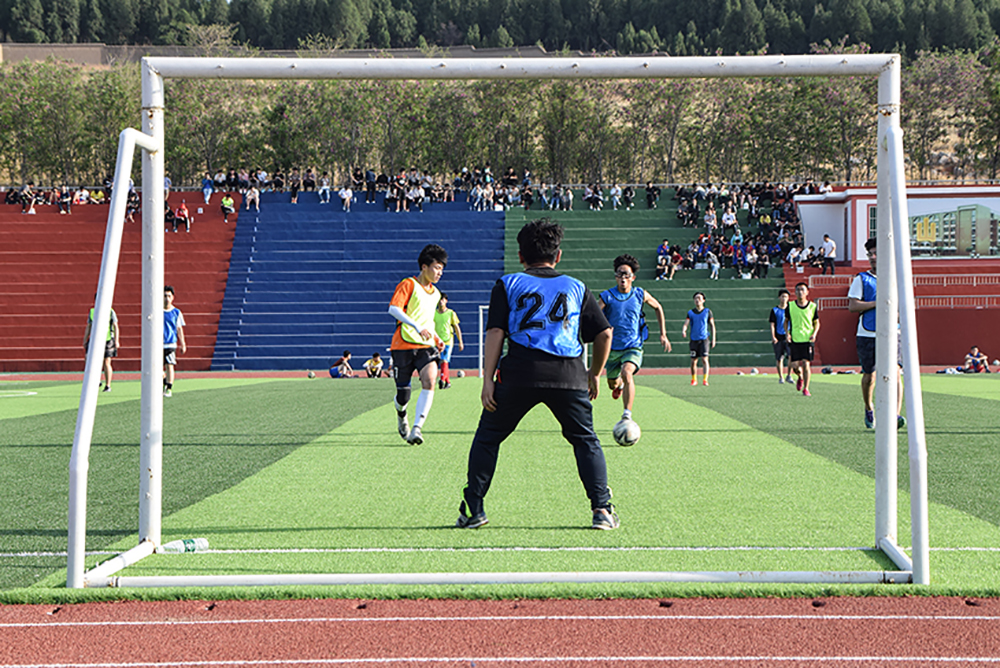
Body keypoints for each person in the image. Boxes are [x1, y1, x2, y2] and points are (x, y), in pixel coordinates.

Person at [456, 219, 618, 531]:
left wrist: (487, 379)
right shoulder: (576, 286)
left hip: (520, 371)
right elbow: (605, 334)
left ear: (520, 256)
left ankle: (474, 509)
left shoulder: (507, 284)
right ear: (558, 255)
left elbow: (495, 332)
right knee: (585, 440)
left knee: (488, 437)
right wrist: (595, 373)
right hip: (569, 374)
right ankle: (602, 509)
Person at [388, 244, 449, 445]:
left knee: (430, 380)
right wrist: (416, 326)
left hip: (426, 346)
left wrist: (436, 338)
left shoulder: (436, 293)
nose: (440, 273)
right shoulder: (408, 284)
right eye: (437, 267)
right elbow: (393, 309)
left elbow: (427, 320)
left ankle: (417, 428)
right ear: (424, 266)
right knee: (403, 395)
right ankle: (401, 413)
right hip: (403, 345)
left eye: (442, 269)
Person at [599, 254, 671, 423]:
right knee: (612, 384)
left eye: (626, 274)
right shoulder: (607, 296)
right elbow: (594, 313)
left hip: (633, 345)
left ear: (633, 277)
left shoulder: (640, 294)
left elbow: (658, 307)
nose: (623, 278)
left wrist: (663, 334)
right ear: (615, 276)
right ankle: (619, 385)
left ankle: (627, 416)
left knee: (627, 372)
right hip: (612, 348)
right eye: (619, 274)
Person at [848, 237, 906, 428]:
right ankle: (868, 407)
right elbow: (853, 306)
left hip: (892, 333)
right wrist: (877, 303)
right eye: (870, 254)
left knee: (895, 372)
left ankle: (895, 415)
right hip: (867, 333)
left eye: (876, 253)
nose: (873, 257)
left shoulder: (896, 278)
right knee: (869, 376)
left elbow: (904, 304)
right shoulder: (862, 279)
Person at [786, 282, 819, 397]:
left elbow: (816, 322)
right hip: (795, 339)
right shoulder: (790, 306)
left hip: (807, 339)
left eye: (802, 290)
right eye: (798, 290)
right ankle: (800, 377)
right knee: (795, 366)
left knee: (806, 364)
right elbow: (786, 321)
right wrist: (787, 333)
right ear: (795, 292)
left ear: (807, 292)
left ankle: (806, 388)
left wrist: (814, 334)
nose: (800, 292)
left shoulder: (812, 306)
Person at [83, 299, 120, 392]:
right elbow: (89, 326)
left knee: (106, 362)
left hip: (107, 340)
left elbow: (115, 326)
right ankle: (96, 380)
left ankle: (108, 385)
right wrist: (85, 339)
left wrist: (116, 340)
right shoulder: (92, 311)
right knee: (89, 359)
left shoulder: (110, 311)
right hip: (94, 339)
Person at [682, 292, 716, 386]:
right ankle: (694, 379)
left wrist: (713, 339)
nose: (697, 300)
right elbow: (686, 323)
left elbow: (712, 325)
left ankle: (705, 379)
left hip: (704, 339)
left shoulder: (707, 312)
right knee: (693, 361)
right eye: (696, 298)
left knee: (705, 359)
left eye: (699, 298)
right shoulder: (690, 313)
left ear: (703, 300)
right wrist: (684, 330)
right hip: (694, 339)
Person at [434, 293, 464, 389]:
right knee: (437, 361)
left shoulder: (451, 313)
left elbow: (456, 327)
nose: (441, 302)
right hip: (436, 341)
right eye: (439, 299)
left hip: (447, 340)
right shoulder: (433, 313)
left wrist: (460, 341)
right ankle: (448, 382)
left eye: (442, 299)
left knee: (444, 360)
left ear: (446, 301)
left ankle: (442, 379)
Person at [163, 286, 186, 398]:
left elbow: (179, 328)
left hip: (170, 343)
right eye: (165, 296)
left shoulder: (176, 312)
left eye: (169, 296)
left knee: (169, 365)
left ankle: (169, 388)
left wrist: (183, 343)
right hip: (157, 344)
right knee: (156, 368)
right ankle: (164, 380)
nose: (167, 298)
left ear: (172, 297)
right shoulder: (156, 310)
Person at [769, 289, 792, 384]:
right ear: (779, 297)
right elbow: (772, 324)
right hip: (779, 336)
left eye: (786, 297)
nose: (784, 298)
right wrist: (773, 336)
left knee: (791, 356)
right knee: (779, 358)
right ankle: (781, 377)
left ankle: (789, 375)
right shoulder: (775, 310)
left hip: (789, 336)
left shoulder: (791, 309)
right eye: (782, 296)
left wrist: (790, 334)